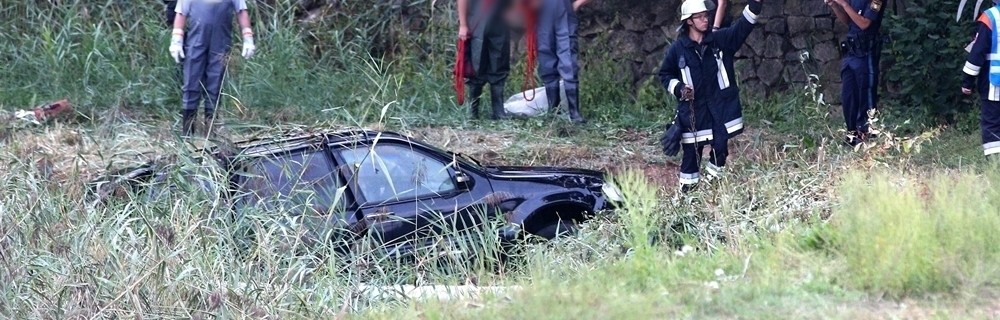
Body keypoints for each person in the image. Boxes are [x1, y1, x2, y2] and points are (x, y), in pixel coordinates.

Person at [658, 0, 762, 192]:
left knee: (720, 150)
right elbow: (665, 74)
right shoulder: (678, 48)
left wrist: (755, 4)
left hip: (719, 110)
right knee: (691, 158)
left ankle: (711, 191)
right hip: (693, 112)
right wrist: (679, 88)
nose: (705, 20)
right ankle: (688, 199)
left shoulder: (720, 40)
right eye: (700, 17)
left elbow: (743, 27)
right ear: (689, 21)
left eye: (707, 16)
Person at [169, 0, 257, 137]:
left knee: (215, 86)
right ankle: (188, 133)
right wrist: (176, 40)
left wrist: (248, 38)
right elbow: (181, 13)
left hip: (220, 43)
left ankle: (211, 133)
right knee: (191, 84)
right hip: (195, 42)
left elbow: (241, 11)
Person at [826, 0, 885, 146]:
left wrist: (845, 4)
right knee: (848, 97)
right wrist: (835, 5)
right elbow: (848, 20)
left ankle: (866, 135)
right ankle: (852, 135)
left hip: (866, 52)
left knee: (866, 95)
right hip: (851, 53)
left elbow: (864, 24)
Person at [536, 0, 591, 124]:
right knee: (546, 59)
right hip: (542, 11)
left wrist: (577, 4)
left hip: (564, 9)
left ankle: (574, 112)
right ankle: (553, 111)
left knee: (568, 60)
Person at [458, 0, 513, 120]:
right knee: (475, 64)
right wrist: (463, 25)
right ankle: (472, 111)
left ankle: (498, 111)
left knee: (500, 62)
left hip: (500, 21)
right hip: (476, 21)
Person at [961, 0, 1000, 158]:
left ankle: (995, 163)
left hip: (995, 81)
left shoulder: (991, 17)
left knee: (992, 123)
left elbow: (977, 53)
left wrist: (967, 81)